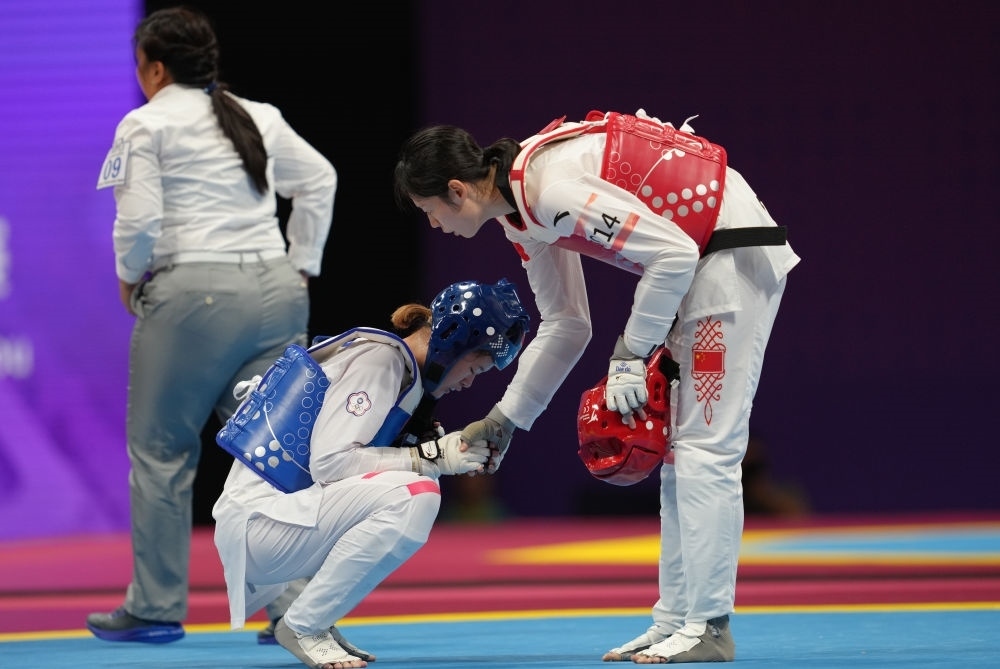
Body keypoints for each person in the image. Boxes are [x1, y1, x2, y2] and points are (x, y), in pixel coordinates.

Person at [393, 109, 801, 663]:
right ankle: (676, 621)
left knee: (707, 448)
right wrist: (504, 419)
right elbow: (567, 323)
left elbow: (673, 254)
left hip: (728, 254)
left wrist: (631, 353)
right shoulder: (522, 216)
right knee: (679, 453)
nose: (434, 224)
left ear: (458, 190)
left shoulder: (550, 192)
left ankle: (708, 626)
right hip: (703, 261)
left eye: (429, 210)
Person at [88, 6, 336, 644]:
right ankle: (297, 608)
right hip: (277, 294)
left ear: (155, 69)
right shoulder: (259, 115)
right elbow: (320, 179)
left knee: (162, 451)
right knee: (272, 452)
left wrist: (128, 275)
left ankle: (155, 607)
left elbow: (139, 222)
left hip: (195, 298)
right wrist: (302, 264)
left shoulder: (145, 123)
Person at [212, 278, 530, 669]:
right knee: (416, 493)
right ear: (453, 345)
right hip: (261, 526)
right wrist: (432, 457)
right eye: (475, 368)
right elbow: (332, 464)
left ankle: (316, 622)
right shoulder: (379, 361)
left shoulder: (402, 375)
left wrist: (440, 454)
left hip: (279, 521)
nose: (468, 382)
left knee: (416, 485)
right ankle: (303, 625)